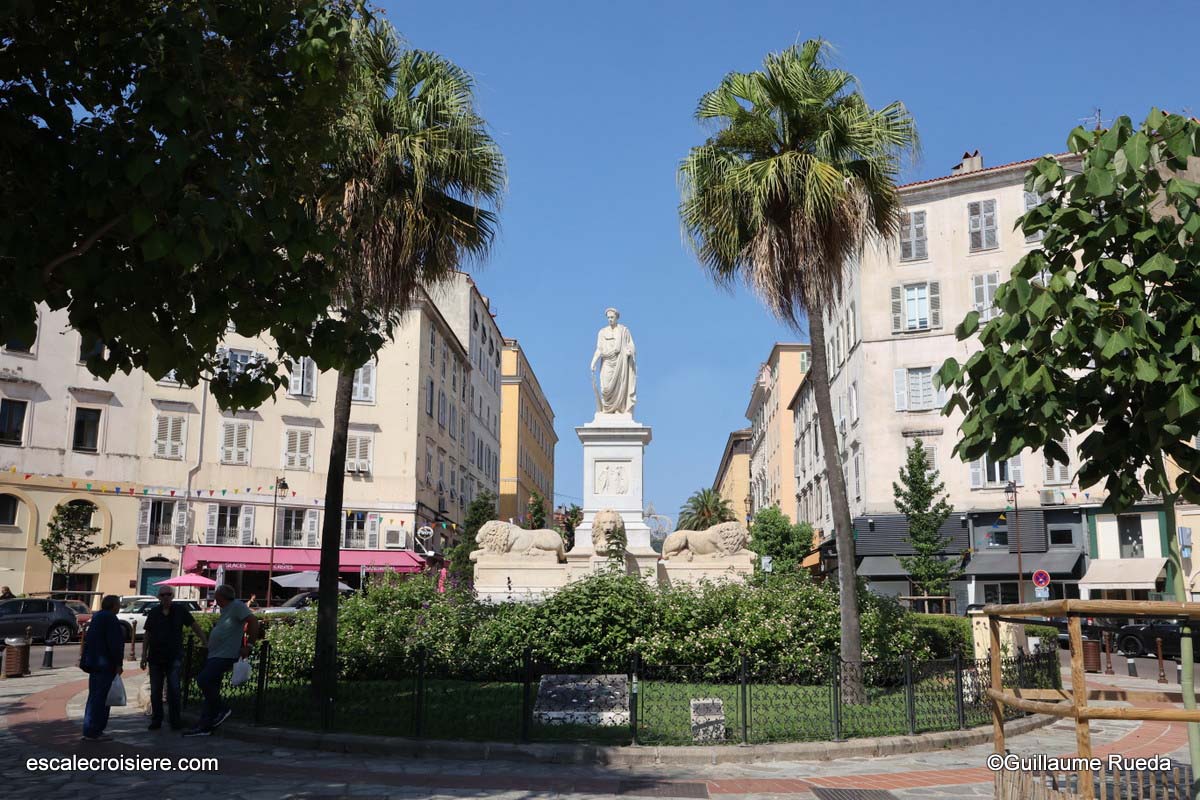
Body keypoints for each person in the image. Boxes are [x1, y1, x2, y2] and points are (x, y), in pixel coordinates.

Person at [184, 584, 259, 737]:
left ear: (221, 597)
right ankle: (205, 725)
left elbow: (253, 621)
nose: (214, 599)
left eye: (216, 596)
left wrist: (249, 645)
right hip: (216, 654)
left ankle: (222, 709)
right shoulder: (226, 609)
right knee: (211, 689)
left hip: (225, 655)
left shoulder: (237, 606)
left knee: (203, 680)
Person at [140, 586, 207, 731]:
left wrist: (204, 640)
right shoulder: (154, 612)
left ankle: (175, 721)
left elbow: (194, 625)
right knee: (156, 690)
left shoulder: (180, 610)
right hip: (155, 657)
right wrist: (143, 655)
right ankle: (157, 719)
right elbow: (147, 634)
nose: (166, 597)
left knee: (174, 689)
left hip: (174, 656)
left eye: (168, 594)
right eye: (163, 595)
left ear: (172, 596)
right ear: (159, 597)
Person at [79, 594, 125, 741]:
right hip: (105, 663)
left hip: (94, 662)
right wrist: (118, 663)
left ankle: (89, 728)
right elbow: (115, 643)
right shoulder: (111, 619)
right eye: (118, 604)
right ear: (114, 605)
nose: (119, 607)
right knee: (101, 698)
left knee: (94, 697)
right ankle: (95, 730)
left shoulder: (97, 617)